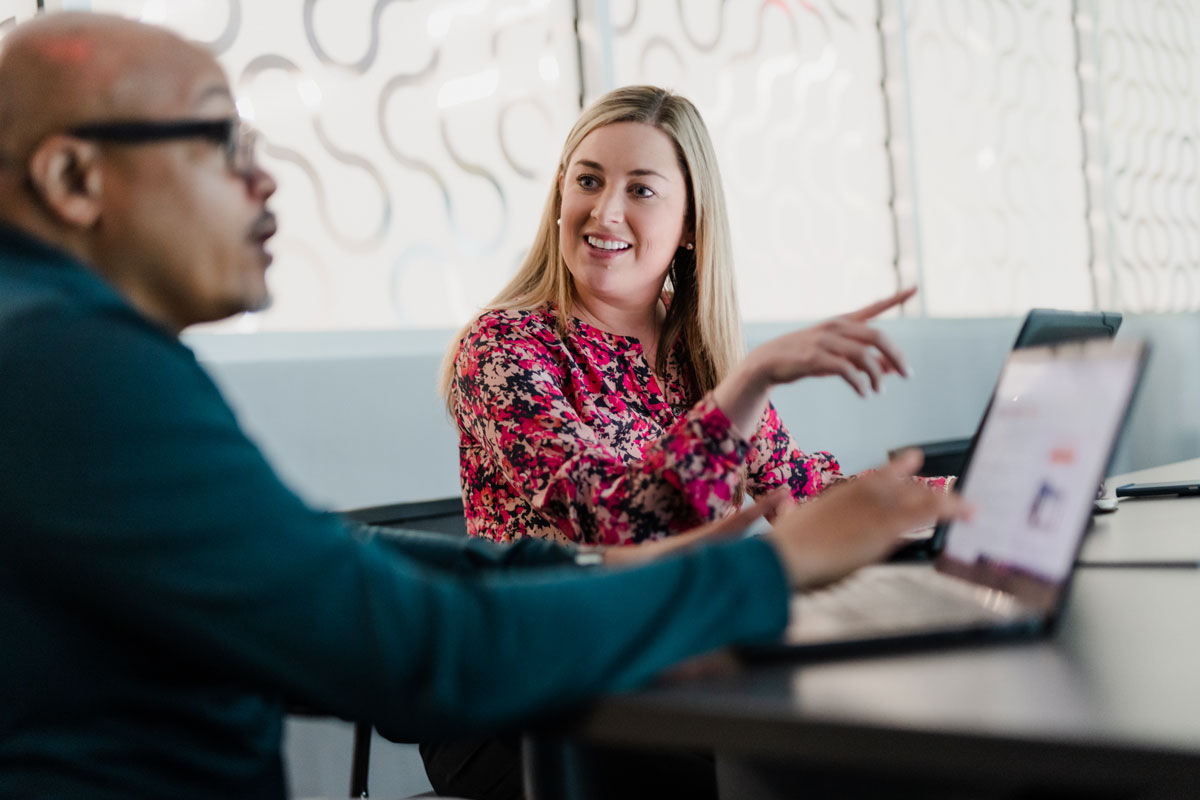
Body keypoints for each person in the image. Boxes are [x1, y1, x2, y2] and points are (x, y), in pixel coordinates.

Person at [0, 13, 962, 800]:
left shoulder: (64, 347)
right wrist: (772, 569)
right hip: (511, 720)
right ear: (74, 178)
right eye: (219, 141)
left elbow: (348, 559)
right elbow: (410, 644)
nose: (264, 176)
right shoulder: (67, 366)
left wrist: (616, 566)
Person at [442, 85, 947, 548]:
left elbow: (800, 489)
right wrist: (753, 377)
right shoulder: (502, 347)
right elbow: (612, 520)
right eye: (589, 181)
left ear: (690, 223)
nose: (605, 212)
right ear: (560, 193)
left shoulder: (691, 345)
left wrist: (959, 493)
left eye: (640, 190)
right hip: (564, 639)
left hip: (688, 627)